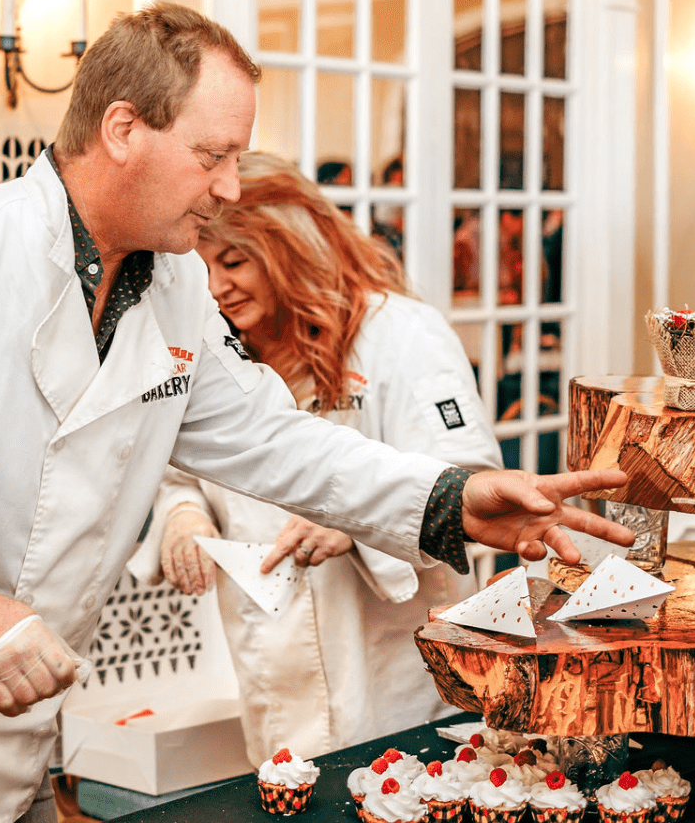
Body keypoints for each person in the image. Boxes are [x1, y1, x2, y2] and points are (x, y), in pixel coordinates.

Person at [0, 3, 635, 823]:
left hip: (11, 732)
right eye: (213, 155)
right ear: (121, 129)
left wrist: (454, 496)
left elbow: (274, 440)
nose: (231, 187)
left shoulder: (177, 287)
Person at [155, 152, 501, 762]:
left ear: (293, 248)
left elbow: (474, 486)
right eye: (201, 267)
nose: (216, 287)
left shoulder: (401, 336)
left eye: (235, 261)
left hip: (393, 668)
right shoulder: (213, 350)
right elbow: (180, 464)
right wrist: (183, 513)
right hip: (273, 664)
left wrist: (358, 521)